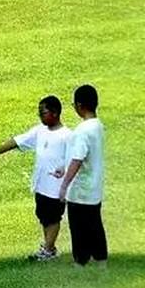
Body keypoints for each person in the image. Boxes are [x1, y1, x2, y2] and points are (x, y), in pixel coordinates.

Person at [0, 95, 74, 261]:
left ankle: (48, 250)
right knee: (43, 216)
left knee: (53, 218)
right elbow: (18, 141)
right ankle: (50, 247)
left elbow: (75, 160)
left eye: (43, 112)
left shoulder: (68, 136)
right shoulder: (39, 130)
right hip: (41, 184)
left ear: (55, 113)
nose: (40, 116)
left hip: (57, 188)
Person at [59, 83, 107, 267]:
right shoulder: (98, 126)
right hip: (94, 188)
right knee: (95, 225)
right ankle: (101, 259)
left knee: (78, 228)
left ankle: (81, 261)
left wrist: (64, 185)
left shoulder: (82, 131)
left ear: (79, 106)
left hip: (80, 190)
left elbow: (77, 159)